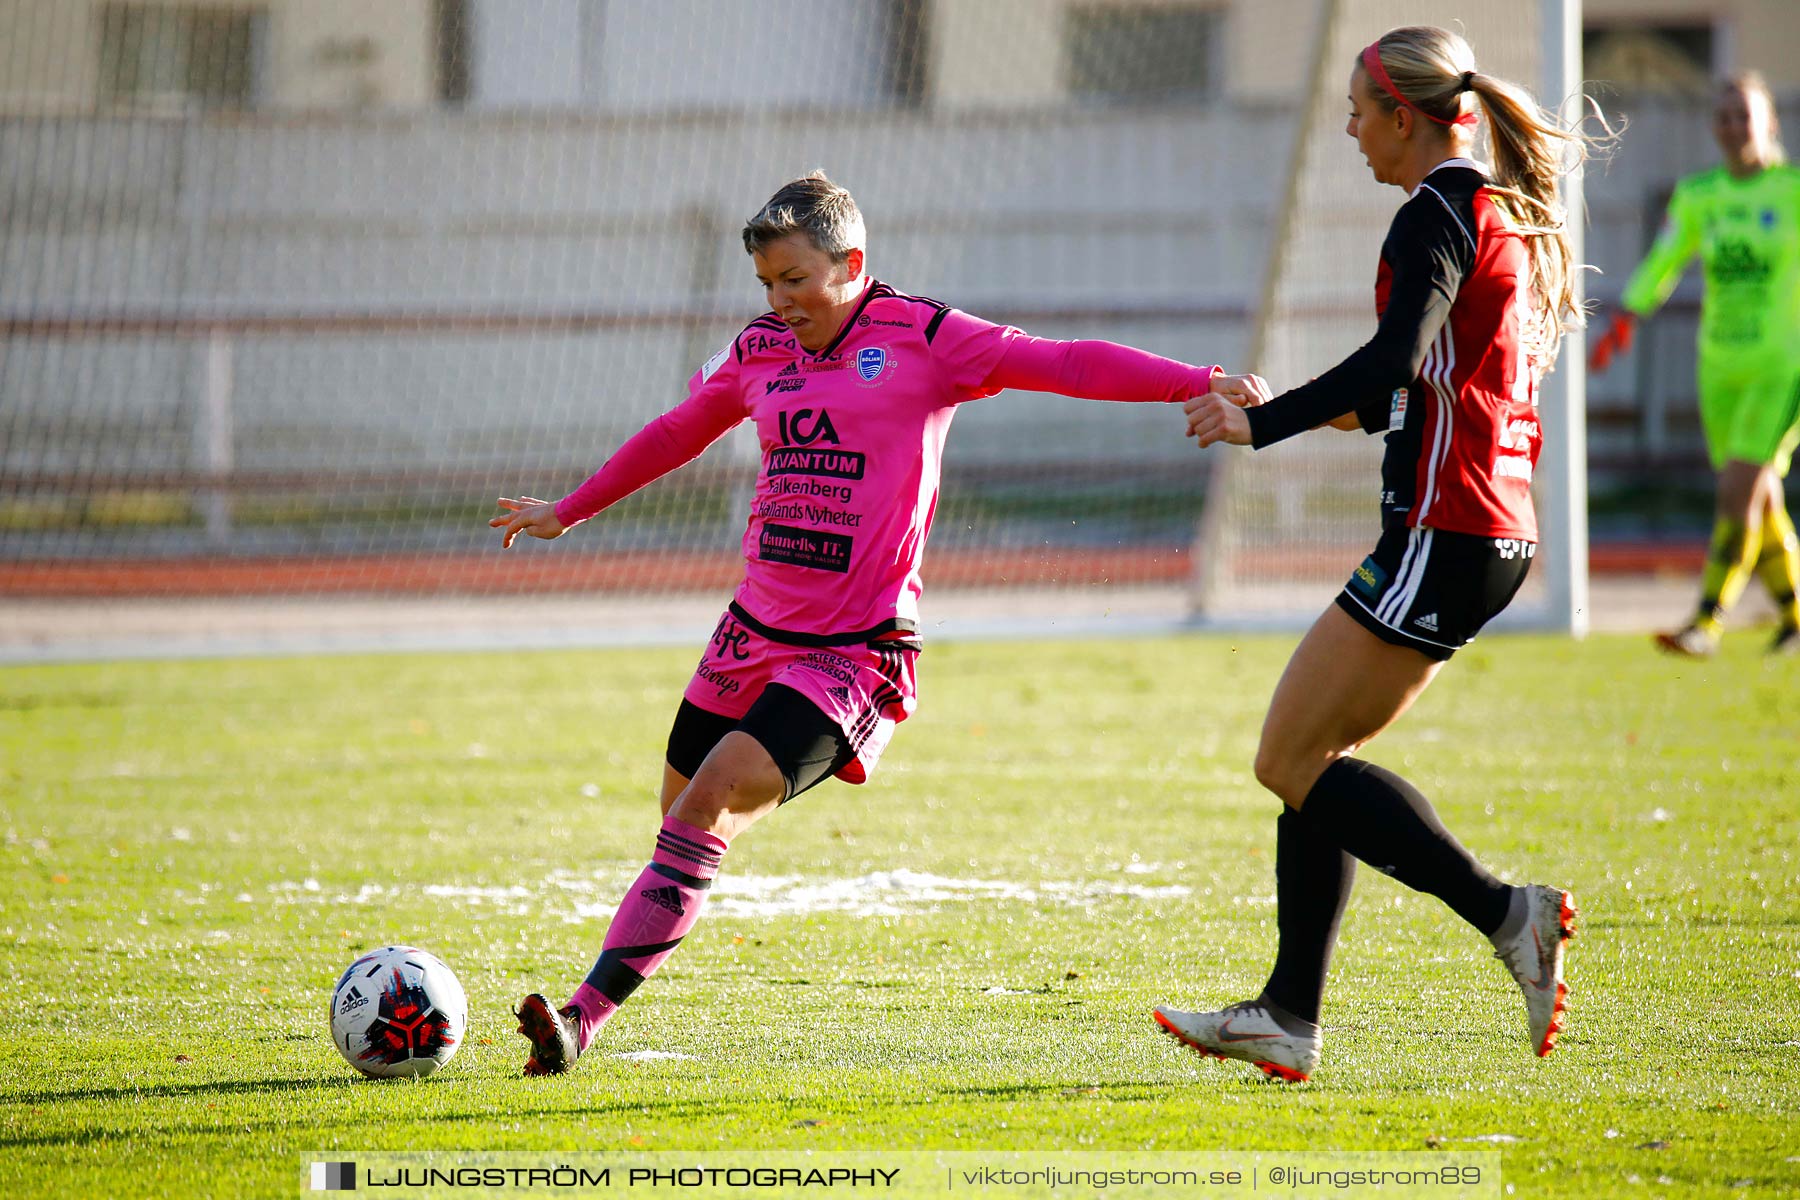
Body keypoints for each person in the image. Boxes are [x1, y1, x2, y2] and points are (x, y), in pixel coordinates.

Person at [490, 171, 1267, 1075]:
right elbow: (680, 429)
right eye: (766, 285)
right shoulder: (759, 347)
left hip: (853, 651)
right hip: (752, 628)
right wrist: (571, 509)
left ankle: (580, 1021)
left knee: (702, 804)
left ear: (851, 264)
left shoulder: (927, 337)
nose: (779, 303)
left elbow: (1065, 362)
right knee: (683, 820)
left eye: (796, 280)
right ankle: (625, 968)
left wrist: (1199, 381)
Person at [1164, 26, 1586, 1082]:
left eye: (1358, 110)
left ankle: (1507, 914)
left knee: (1285, 759)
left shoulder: (1436, 213)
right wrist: (1305, 411)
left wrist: (1259, 428)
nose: (1349, 129)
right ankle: (1287, 1017)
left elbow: (1393, 362)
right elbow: (1414, 388)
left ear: (1405, 112)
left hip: (1447, 530)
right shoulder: (1496, 215)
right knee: (1315, 766)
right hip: (1480, 531)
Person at [1590, 72, 1800, 657]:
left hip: (1782, 368)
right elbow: (1665, 259)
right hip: (1720, 370)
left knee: (1736, 493)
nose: (1735, 127)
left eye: (1746, 115)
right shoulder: (1699, 195)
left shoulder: (1793, 192)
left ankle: (1707, 623)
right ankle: (1795, 619)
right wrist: (1626, 318)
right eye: (1725, 116)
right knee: (1759, 498)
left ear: (1771, 123)